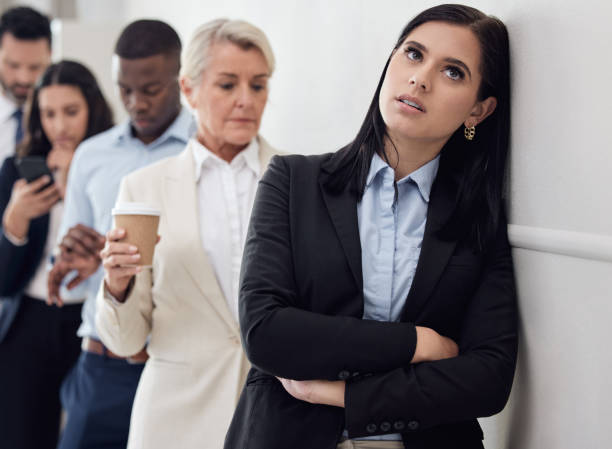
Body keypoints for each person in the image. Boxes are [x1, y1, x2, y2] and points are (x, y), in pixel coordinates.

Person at [225, 5, 517, 449]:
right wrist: (414, 343)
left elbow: (487, 378)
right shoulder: (292, 181)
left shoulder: (480, 217)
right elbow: (266, 333)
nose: (420, 79)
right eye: (414, 54)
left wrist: (346, 395)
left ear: (479, 110)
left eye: (453, 72)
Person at [96, 19, 281, 449]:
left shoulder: (301, 180)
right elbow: (126, 341)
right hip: (173, 421)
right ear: (189, 88)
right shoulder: (143, 188)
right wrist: (117, 284)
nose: (245, 101)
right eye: (227, 85)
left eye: (258, 85)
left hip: (277, 417)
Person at [46, 20, 195, 449]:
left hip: (175, 366)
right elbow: (73, 285)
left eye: (150, 90)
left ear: (181, 80)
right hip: (101, 367)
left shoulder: (202, 154)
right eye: (123, 89)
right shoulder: (91, 156)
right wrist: (78, 262)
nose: (135, 103)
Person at [0, 60, 113, 449]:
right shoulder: (16, 171)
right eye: (49, 114)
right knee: (22, 435)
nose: (59, 126)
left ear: (92, 110)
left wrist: (74, 187)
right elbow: (2, 283)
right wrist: (14, 222)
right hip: (29, 322)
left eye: (71, 112)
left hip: (91, 324)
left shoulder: (111, 167)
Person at [0, 6, 52, 164]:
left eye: (35, 67)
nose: (24, 79)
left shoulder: (63, 120)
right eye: (13, 65)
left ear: (50, 55)